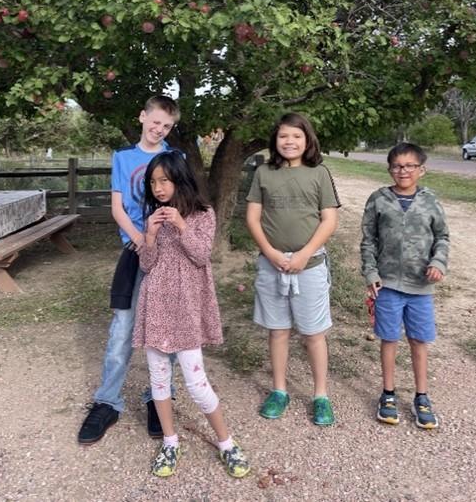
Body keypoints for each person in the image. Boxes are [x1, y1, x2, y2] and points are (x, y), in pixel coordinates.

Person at [133, 150, 251, 479]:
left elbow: (200, 255)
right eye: (153, 182)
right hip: (155, 305)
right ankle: (170, 441)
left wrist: (181, 224)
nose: (158, 188)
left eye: (164, 181)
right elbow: (146, 264)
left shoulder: (203, 213)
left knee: (197, 383)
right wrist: (151, 235)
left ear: (180, 180)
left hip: (186, 308)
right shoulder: (153, 216)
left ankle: (226, 442)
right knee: (159, 381)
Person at [78, 95, 181, 445]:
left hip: (167, 254)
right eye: (155, 122)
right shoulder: (123, 158)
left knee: (165, 329)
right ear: (142, 116)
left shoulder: (174, 158)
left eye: (166, 126)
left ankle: (160, 397)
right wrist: (140, 238)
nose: (159, 129)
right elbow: (118, 207)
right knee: (123, 327)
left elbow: (182, 201)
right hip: (134, 250)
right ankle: (107, 401)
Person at [246, 112, 340, 426]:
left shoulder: (319, 173)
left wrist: (304, 254)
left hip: (309, 266)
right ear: (275, 140)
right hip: (272, 265)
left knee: (314, 333)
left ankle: (321, 395)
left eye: (296, 136)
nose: (289, 142)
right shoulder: (263, 173)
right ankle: (279, 390)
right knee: (278, 331)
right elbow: (253, 218)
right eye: (284, 136)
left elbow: (329, 220)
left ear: (307, 140)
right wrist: (270, 252)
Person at [360, 142, 449, 429]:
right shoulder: (378, 199)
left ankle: (421, 396)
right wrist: (371, 272)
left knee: (419, 340)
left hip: (420, 287)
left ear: (421, 169)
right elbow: (368, 240)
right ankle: (388, 394)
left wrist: (439, 263)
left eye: (410, 166)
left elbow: (442, 237)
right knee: (389, 338)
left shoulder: (431, 201)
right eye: (398, 166)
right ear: (389, 169)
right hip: (387, 285)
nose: (404, 171)